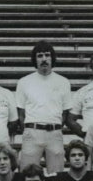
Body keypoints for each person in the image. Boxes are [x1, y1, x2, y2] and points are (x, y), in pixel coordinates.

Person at [15, 40, 72, 171]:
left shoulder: (63, 82)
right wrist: (31, 130)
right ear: (35, 59)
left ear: (52, 58)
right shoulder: (24, 82)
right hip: (32, 132)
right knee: (27, 173)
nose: (44, 59)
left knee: (56, 175)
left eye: (47, 55)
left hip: (54, 133)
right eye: (40, 56)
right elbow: (21, 113)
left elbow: (65, 113)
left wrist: (54, 127)